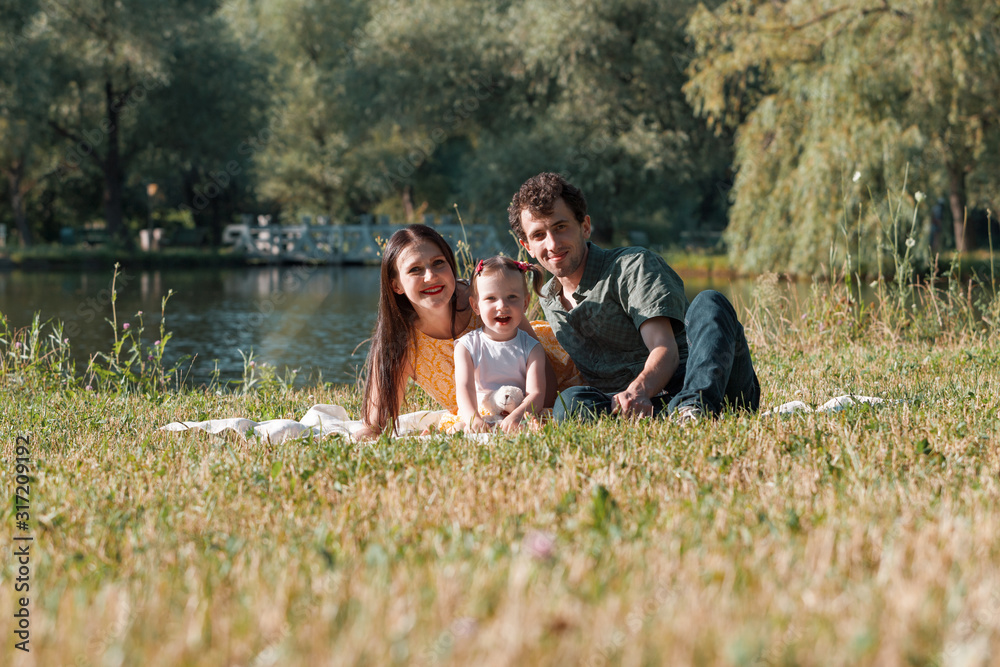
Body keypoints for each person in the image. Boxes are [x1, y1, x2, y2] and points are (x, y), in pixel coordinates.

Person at [507, 172, 759, 423]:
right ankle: (663, 420)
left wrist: (638, 390)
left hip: (707, 386)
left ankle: (693, 410)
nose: (552, 244)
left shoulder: (632, 266)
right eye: (539, 235)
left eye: (560, 227)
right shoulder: (548, 299)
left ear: (585, 227)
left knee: (709, 302)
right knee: (571, 402)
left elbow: (665, 349)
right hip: (630, 406)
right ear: (527, 246)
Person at [358, 224, 581, 438]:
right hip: (484, 416)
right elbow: (376, 422)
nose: (431, 276)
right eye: (415, 269)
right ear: (396, 285)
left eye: (438, 263)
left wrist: (520, 416)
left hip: (553, 385)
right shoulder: (399, 341)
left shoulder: (489, 300)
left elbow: (549, 386)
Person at [455, 256, 548, 434]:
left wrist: (517, 416)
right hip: (481, 414)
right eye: (491, 298)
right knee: (459, 429)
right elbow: (464, 389)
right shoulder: (466, 346)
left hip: (520, 412)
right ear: (475, 305)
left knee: (537, 427)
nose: (502, 306)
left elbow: (536, 394)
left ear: (525, 303)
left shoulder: (532, 348)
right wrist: (473, 418)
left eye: (512, 297)